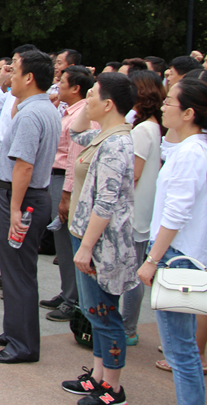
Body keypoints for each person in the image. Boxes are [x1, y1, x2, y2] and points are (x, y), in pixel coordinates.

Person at [61, 72, 137, 405]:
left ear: (108, 105)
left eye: (92, 95)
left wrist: (87, 247)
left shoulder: (117, 143)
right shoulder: (105, 135)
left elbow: (106, 203)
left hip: (102, 245)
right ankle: (97, 377)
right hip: (88, 237)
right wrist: (91, 98)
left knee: (104, 314)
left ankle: (113, 389)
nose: (86, 100)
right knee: (95, 311)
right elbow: (75, 132)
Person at [0, 50, 60, 363]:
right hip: (25, 196)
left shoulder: (31, 114)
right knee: (16, 269)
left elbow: (24, 166)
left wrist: (15, 208)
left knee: (18, 273)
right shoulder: (43, 108)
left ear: (29, 78)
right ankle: (14, 331)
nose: (9, 78)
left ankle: (23, 345)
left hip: (21, 198)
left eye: (14, 72)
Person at [137, 78, 207, 405]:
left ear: (189, 113)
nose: (163, 107)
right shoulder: (191, 148)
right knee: (182, 347)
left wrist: (153, 259)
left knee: (180, 350)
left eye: (169, 103)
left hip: (176, 257)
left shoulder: (192, 153)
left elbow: (176, 214)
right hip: (183, 254)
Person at [43, 66, 94, 323]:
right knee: (61, 241)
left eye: (62, 82)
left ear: (76, 88)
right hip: (58, 177)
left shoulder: (81, 117)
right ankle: (67, 292)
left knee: (66, 238)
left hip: (65, 179)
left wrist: (66, 195)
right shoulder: (67, 111)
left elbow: (75, 158)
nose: (57, 85)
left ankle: (73, 300)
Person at [120, 70, 164, 346]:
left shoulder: (143, 129)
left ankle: (128, 327)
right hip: (145, 207)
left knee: (132, 272)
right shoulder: (154, 126)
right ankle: (128, 326)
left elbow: (132, 174)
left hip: (135, 209)